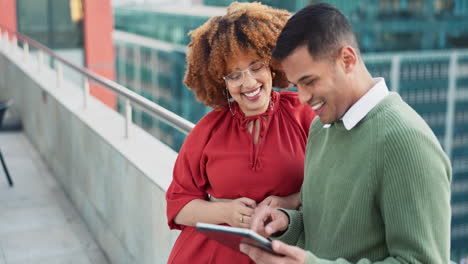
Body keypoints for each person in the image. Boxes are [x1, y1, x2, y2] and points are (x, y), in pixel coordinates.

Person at [240, 3, 452, 264]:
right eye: (296, 86)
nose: (303, 98)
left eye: (309, 81)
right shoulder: (321, 128)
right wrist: (287, 224)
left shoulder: (407, 142)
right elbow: (325, 226)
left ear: (347, 60)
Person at [165, 2, 316, 264]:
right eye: (234, 75)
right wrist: (226, 211)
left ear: (272, 65)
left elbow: (331, 182)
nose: (248, 82)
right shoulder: (208, 130)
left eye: (256, 67)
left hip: (281, 254)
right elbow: (178, 207)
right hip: (207, 256)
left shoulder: (302, 115)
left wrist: (292, 201)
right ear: (221, 83)